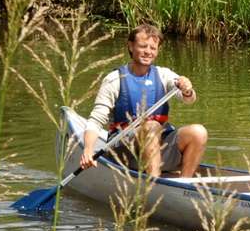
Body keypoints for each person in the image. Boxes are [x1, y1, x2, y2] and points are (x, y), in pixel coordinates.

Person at [81, 22, 207, 179]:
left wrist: (187, 89)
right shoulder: (114, 79)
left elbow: (189, 99)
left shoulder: (164, 75)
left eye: (153, 48)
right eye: (143, 46)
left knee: (198, 132)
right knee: (151, 126)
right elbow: (95, 120)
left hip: (158, 145)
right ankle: (153, 184)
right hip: (125, 151)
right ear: (130, 46)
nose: (148, 52)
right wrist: (88, 150)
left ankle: (184, 184)